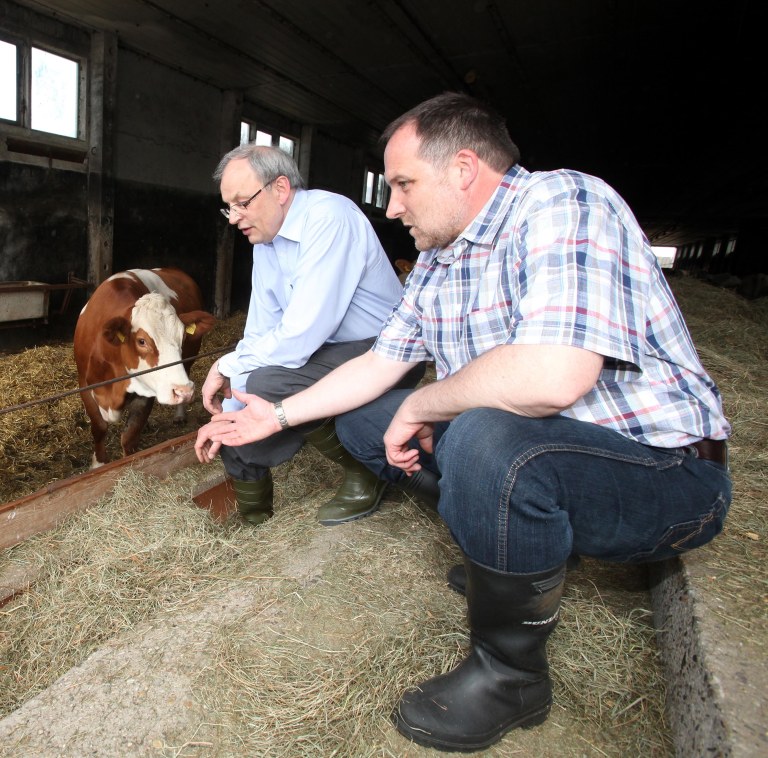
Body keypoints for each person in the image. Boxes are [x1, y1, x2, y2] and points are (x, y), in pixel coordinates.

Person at [195, 93, 732, 753]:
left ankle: (511, 677)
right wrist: (273, 414)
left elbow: (553, 377)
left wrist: (423, 405)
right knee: (363, 417)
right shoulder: (439, 260)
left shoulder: (563, 203)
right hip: (550, 455)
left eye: (403, 185)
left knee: (483, 435)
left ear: (464, 169)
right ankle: (515, 548)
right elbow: (380, 363)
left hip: (663, 474)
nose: (392, 207)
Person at [202, 144, 424, 527]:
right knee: (247, 390)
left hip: (387, 353)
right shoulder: (266, 241)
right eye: (228, 208)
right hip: (326, 353)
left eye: (242, 203)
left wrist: (226, 365)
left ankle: (366, 469)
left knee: (269, 381)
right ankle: (254, 519)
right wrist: (231, 413)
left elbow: (300, 335)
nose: (234, 218)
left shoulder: (329, 218)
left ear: (280, 188)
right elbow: (260, 331)